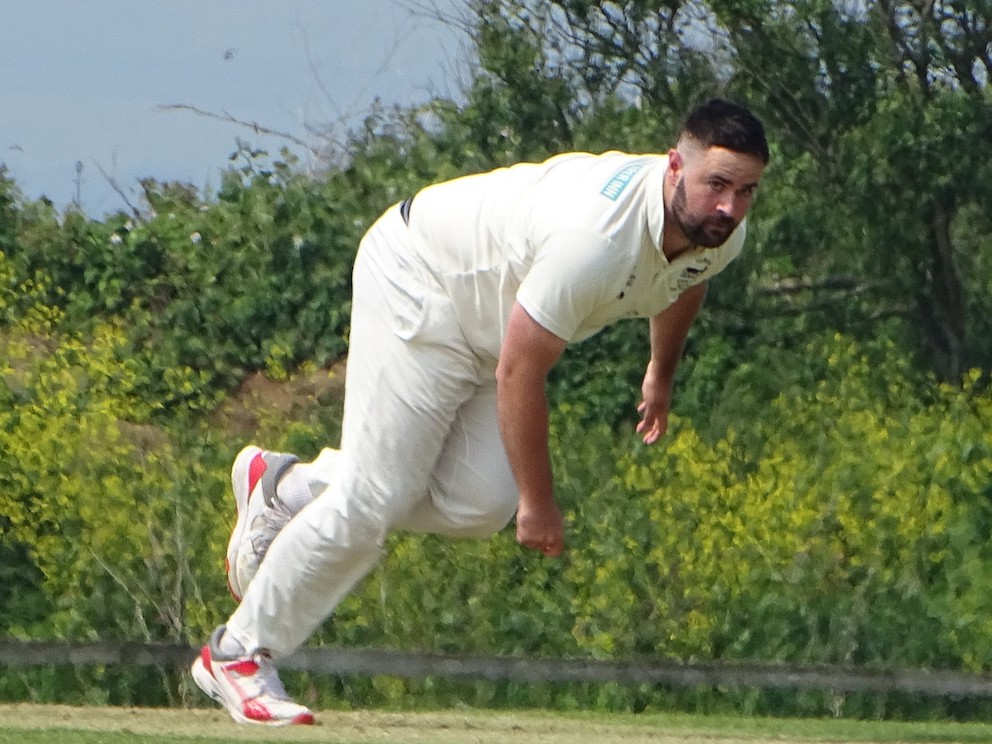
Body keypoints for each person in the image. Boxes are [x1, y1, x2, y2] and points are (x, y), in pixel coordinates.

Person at [191, 98, 769, 725]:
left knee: (478, 505)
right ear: (674, 167)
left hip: (490, 326)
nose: (729, 208)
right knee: (374, 501)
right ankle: (237, 653)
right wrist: (540, 502)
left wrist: (661, 371)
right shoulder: (595, 240)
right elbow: (521, 372)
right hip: (422, 278)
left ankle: (289, 487)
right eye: (717, 185)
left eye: (746, 191)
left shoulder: (721, 232)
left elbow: (690, 278)